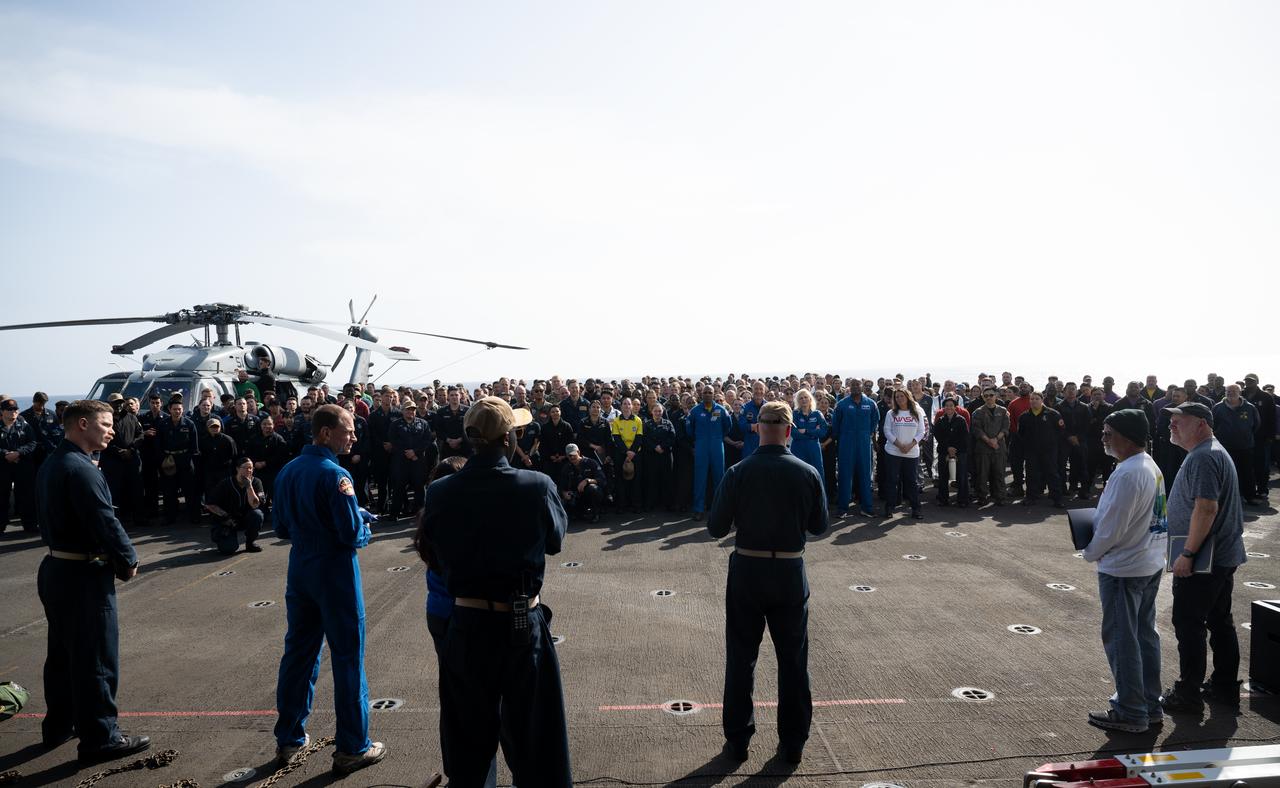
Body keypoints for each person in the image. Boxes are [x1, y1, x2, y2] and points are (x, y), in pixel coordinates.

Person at [421, 397, 572, 785]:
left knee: (468, 746)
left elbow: (432, 551)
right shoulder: (536, 486)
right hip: (521, 626)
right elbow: (555, 541)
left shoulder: (439, 492)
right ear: (507, 439)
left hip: (468, 624)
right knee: (536, 741)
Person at [707, 401, 828, 763]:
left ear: (758, 429)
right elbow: (819, 526)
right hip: (789, 571)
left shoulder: (738, 472)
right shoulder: (807, 473)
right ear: (789, 431)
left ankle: (738, 741)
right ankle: (793, 743)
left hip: (748, 570)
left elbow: (716, 527)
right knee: (793, 661)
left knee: (741, 659)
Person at [272, 404, 386, 775]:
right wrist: (363, 524)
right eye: (348, 430)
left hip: (300, 568)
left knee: (299, 654)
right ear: (325, 433)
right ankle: (353, 746)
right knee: (348, 657)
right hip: (335, 572)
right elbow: (351, 535)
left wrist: (348, 516)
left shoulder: (288, 470)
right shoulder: (337, 475)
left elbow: (281, 528)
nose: (353, 436)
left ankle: (290, 737)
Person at [35, 400, 150, 762]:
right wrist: (128, 560)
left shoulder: (54, 462)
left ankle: (59, 724)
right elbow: (105, 521)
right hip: (82, 577)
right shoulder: (82, 469)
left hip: (56, 568)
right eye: (105, 424)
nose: (112, 431)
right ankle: (101, 738)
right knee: (96, 658)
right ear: (82, 424)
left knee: (62, 655)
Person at [1081, 410, 1168, 733]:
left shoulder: (1129, 473)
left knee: (1122, 638)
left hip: (1124, 568)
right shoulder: (1148, 465)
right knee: (1144, 635)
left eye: (1109, 433)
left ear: (1128, 437)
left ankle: (1131, 710)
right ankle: (1149, 703)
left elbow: (1111, 528)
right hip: (1147, 561)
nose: (1103, 439)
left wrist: (1090, 552)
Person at [1159, 402, 1248, 715]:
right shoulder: (1210, 452)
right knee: (1220, 621)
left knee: (1189, 623)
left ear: (1201, 424)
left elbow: (1207, 507)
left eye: (1179, 421)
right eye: (1171, 420)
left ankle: (1188, 692)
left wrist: (1188, 553)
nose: (1171, 425)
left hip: (1204, 559)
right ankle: (1224, 686)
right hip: (1220, 555)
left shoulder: (1204, 456)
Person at [831, 382, 879, 516]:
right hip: (846, 443)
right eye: (853, 385)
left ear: (862, 386)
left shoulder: (870, 404)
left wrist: (868, 434)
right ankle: (843, 508)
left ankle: (867, 507)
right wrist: (840, 438)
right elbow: (836, 424)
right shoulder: (842, 404)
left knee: (865, 475)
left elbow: (875, 420)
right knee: (845, 475)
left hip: (864, 444)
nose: (855, 387)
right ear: (849, 388)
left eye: (858, 385)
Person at [204, 456, 266, 555]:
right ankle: (220, 536)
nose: (249, 470)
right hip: (227, 520)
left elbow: (255, 505)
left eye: (251, 468)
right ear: (237, 469)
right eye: (245, 468)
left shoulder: (256, 482)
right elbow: (210, 504)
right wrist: (225, 516)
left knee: (257, 515)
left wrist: (249, 486)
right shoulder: (225, 483)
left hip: (245, 518)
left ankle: (250, 542)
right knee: (228, 549)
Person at [1211, 384, 1260, 504]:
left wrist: (1245, 435)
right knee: (1227, 473)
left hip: (1245, 446)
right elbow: (1212, 424)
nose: (1230, 393)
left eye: (1233, 391)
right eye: (1228, 391)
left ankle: (1249, 496)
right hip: (1224, 447)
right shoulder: (1218, 407)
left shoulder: (1250, 408)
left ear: (1240, 392)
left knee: (1247, 472)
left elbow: (1256, 425)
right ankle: (1229, 498)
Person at [688, 386, 732, 521]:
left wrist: (717, 437)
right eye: (705, 392)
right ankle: (698, 509)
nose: (707, 394)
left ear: (714, 394)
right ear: (701, 394)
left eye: (710, 392)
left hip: (717, 446)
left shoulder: (721, 410)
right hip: (701, 446)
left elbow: (728, 427)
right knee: (700, 478)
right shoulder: (695, 411)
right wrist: (699, 440)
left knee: (719, 477)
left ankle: (719, 509)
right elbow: (689, 429)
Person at [882, 389, 927, 518]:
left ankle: (916, 509)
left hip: (911, 453)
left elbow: (922, 431)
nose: (899, 399)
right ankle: (889, 508)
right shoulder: (891, 413)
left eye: (902, 396)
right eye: (897, 397)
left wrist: (910, 445)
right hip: (893, 452)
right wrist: (899, 445)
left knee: (911, 481)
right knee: (892, 480)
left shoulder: (917, 412)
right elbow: (887, 431)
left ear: (908, 397)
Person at [1018, 392, 1066, 508]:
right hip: (1031, 451)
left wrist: (1051, 443)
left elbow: (1061, 431)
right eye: (1032, 399)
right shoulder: (1024, 416)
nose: (1034, 401)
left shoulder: (1053, 414)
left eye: (1036, 399)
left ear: (1042, 400)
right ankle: (1031, 497)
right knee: (1031, 474)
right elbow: (1021, 433)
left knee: (1052, 474)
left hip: (1049, 451)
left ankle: (1057, 499)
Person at [387, 402, 434, 517]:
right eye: (408, 409)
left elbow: (427, 440)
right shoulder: (395, 424)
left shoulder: (423, 423)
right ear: (402, 411)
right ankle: (395, 513)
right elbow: (393, 440)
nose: (410, 412)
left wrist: (415, 452)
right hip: (401, 460)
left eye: (412, 409)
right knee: (398, 486)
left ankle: (420, 512)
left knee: (419, 487)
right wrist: (407, 452)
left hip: (417, 460)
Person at [1, 396, 40, 533]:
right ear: (2, 411)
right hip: (3, 466)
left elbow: (32, 442)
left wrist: (18, 453)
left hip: (23, 465)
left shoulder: (24, 424)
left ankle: (30, 525)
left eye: (15, 409)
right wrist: (6, 454)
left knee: (26, 496)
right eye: (9, 409)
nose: (13, 412)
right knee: (1, 497)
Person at [970, 387, 1009, 506]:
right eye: (985, 396)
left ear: (996, 396)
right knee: (982, 474)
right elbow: (977, 429)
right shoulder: (978, 412)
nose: (988, 397)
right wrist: (989, 441)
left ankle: (1000, 497)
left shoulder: (1003, 411)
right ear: (983, 397)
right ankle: (982, 497)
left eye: (991, 395)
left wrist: (996, 439)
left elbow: (1005, 427)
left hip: (999, 447)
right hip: (983, 448)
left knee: (999, 473)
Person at [1241, 373, 1275, 503]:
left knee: (1261, 465)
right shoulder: (1241, 395)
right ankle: (1247, 491)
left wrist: (1270, 436)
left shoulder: (1266, 397)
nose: (1248, 383)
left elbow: (1272, 417)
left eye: (1251, 381)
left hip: (1261, 437)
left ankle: (1262, 489)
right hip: (1243, 437)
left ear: (1257, 382)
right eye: (1247, 381)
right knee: (1246, 465)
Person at [933, 397, 970, 507]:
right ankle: (943, 498)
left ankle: (962, 499)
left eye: (951, 405)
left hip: (960, 451)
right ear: (943, 407)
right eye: (946, 406)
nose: (949, 407)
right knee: (943, 476)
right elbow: (938, 435)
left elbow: (964, 436)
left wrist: (954, 449)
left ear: (955, 407)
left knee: (961, 475)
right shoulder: (940, 420)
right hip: (944, 451)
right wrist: (948, 448)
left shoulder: (961, 420)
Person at [610, 398, 644, 512]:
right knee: (620, 480)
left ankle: (636, 505)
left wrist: (632, 452)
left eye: (629, 404)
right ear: (621, 406)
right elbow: (616, 438)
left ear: (632, 406)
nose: (626, 406)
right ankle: (621, 505)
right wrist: (626, 452)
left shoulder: (638, 420)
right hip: (621, 453)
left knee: (636, 480)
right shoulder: (616, 421)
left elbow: (639, 437)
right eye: (624, 404)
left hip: (635, 453)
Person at [558, 443, 606, 522]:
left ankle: (596, 513)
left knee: (593, 488)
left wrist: (588, 481)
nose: (572, 457)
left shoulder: (591, 462)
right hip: (576, 497)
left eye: (573, 454)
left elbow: (602, 480)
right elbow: (561, 486)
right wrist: (564, 493)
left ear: (578, 452)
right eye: (569, 455)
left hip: (589, 495)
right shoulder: (566, 468)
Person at [641, 403, 676, 511]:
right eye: (655, 411)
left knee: (667, 480)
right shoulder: (647, 424)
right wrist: (654, 447)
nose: (657, 413)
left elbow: (672, 437)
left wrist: (662, 446)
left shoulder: (668, 423)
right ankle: (651, 503)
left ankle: (668, 504)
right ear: (652, 412)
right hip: (652, 455)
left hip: (665, 455)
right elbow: (644, 438)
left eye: (659, 411)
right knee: (652, 480)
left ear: (663, 412)